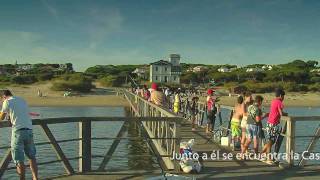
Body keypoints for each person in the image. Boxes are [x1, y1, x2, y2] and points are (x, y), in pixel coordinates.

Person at [0, 90, 39, 180]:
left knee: (19, 159)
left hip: (18, 131)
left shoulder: (7, 101)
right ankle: (35, 178)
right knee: (32, 157)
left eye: (1, 99)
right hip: (29, 130)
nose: (1, 101)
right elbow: (20, 114)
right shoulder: (22, 100)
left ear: (4, 96)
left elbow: (1, 118)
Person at [261, 89, 288, 163]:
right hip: (274, 123)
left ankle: (264, 154)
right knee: (271, 141)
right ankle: (267, 156)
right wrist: (286, 114)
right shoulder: (279, 102)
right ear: (280, 96)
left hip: (269, 122)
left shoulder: (273, 101)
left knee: (270, 140)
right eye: (283, 96)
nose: (283, 98)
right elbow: (281, 113)